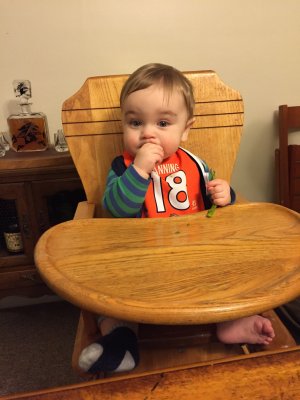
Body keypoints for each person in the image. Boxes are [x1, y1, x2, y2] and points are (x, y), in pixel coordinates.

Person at [78, 63, 275, 374]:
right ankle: (122, 337)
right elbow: (116, 208)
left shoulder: (195, 163)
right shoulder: (123, 166)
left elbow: (214, 202)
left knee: (227, 273)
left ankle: (230, 321)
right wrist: (139, 170)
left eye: (163, 123)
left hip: (194, 256)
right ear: (124, 124)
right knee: (106, 295)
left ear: (185, 129)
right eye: (135, 122)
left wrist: (225, 194)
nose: (147, 132)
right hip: (139, 259)